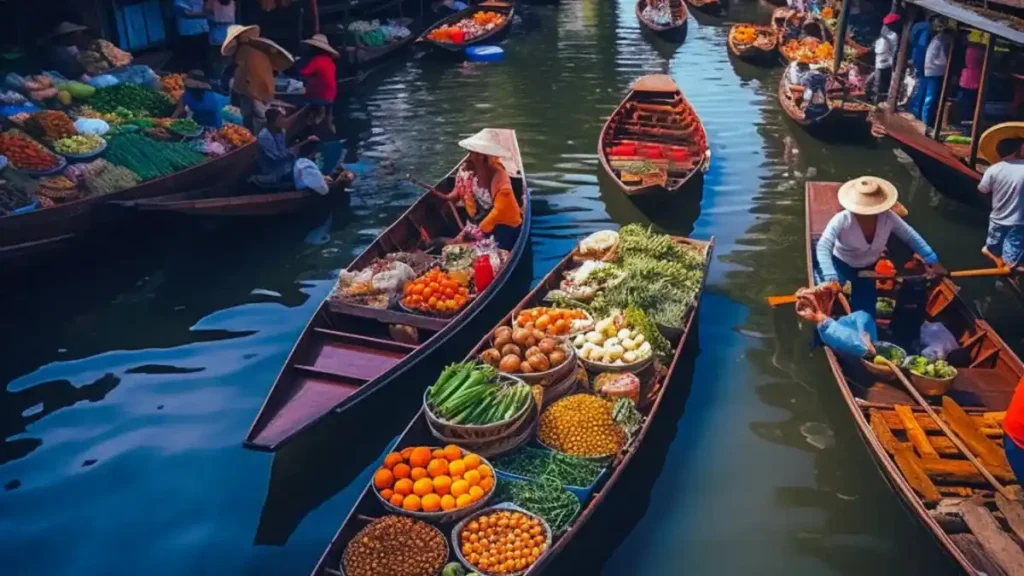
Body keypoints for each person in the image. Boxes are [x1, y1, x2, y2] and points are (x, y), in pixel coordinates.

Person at [816, 176, 945, 315]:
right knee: (829, 304)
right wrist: (831, 278)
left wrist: (932, 260)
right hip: (841, 264)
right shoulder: (842, 219)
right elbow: (823, 246)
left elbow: (911, 236)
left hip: (868, 268)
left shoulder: (888, 217)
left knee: (865, 311)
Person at [429, 129, 522, 250]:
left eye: (471, 153)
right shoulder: (466, 171)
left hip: (501, 225)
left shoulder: (499, 175)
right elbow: (457, 193)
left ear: (481, 156)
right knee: (440, 245)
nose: (468, 156)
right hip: (477, 222)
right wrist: (443, 196)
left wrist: (479, 230)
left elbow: (501, 209)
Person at [222, 25, 294, 132]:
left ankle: (257, 139)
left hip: (255, 90)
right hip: (264, 88)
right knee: (259, 114)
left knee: (258, 118)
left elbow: (240, 77)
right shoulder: (256, 49)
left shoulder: (242, 52)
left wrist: (236, 88)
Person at [978, 131, 1024, 269]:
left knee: (995, 250)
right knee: (1011, 263)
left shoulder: (993, 169)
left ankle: (993, 256)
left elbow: (982, 191)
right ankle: (1007, 273)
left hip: (997, 219)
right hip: (1019, 223)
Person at [256, 107, 319, 183]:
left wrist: (306, 141)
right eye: (281, 119)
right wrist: (294, 150)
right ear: (274, 121)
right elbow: (277, 157)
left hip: (284, 165)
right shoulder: (265, 136)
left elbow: (284, 152)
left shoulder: (280, 131)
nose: (284, 120)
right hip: (272, 171)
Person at [298, 34, 339, 133]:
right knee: (328, 114)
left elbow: (303, 73)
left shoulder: (317, 61)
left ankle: (311, 125)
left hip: (319, 95)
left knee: (308, 107)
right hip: (331, 95)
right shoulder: (330, 61)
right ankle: (330, 128)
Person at [921, 24, 952, 130]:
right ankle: (926, 123)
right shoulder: (942, 41)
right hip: (936, 70)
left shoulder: (937, 39)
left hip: (931, 69)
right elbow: (944, 59)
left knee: (930, 96)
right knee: (931, 97)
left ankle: (927, 121)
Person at [908, 16, 935, 119]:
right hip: (923, 58)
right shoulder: (927, 29)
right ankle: (917, 113)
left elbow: (911, 39)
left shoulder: (917, 26)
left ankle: (914, 111)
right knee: (921, 86)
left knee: (917, 85)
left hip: (917, 55)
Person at [174, 0, 210, 73]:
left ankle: (208, 78)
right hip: (188, 32)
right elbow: (186, 13)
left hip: (202, 29)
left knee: (205, 58)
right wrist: (207, 14)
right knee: (190, 60)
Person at [872, 12, 900, 104]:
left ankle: (877, 100)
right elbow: (894, 50)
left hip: (884, 62)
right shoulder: (893, 35)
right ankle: (877, 101)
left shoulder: (885, 32)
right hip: (886, 62)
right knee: (881, 83)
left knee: (879, 83)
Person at [205, 0, 236, 79]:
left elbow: (207, 12)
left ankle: (221, 77)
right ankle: (221, 77)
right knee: (222, 56)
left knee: (220, 57)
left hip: (221, 30)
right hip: (225, 30)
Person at [958, 40, 985, 127]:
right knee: (971, 102)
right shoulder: (979, 52)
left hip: (965, 78)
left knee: (965, 101)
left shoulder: (967, 50)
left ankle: (964, 119)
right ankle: (968, 120)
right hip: (974, 80)